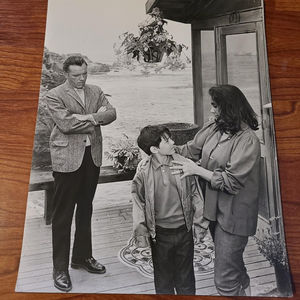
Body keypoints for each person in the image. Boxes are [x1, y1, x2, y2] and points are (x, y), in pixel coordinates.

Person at [171, 84, 261, 296]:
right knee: (233, 264)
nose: (211, 110)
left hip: (235, 215)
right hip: (215, 210)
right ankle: (245, 291)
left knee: (224, 279)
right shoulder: (214, 127)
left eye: (215, 106)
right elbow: (190, 150)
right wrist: (160, 146)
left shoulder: (248, 140)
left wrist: (197, 170)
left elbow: (231, 182)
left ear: (229, 108)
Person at [46, 55, 116, 292]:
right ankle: (60, 268)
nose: (81, 79)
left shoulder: (95, 90)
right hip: (67, 160)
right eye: (76, 75)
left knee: (86, 208)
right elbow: (65, 125)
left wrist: (87, 117)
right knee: (63, 215)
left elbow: (112, 113)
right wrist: (96, 119)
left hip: (91, 158)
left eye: (84, 74)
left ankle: (82, 257)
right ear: (66, 74)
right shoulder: (54, 95)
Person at [131, 125, 209, 295]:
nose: (173, 142)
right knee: (163, 282)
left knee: (186, 279)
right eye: (167, 140)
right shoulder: (143, 171)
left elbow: (196, 195)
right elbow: (138, 202)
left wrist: (200, 225)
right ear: (154, 149)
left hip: (184, 232)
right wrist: (141, 231)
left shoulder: (184, 164)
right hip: (159, 235)